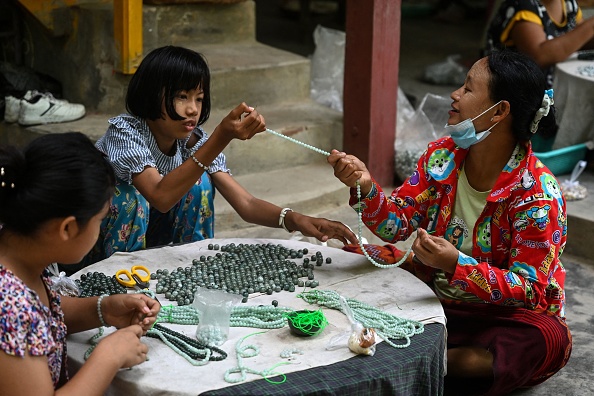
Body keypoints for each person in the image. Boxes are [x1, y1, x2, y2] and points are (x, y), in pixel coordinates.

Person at [328, 50, 571, 395]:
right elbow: (396, 225)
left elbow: (530, 290)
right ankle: (427, 356)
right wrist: (365, 186)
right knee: (357, 257)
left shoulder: (537, 197)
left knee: (545, 340)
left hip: (498, 317)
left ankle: (421, 356)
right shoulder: (441, 156)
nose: (455, 95)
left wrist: (456, 263)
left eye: (469, 89)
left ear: (500, 111)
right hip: (434, 295)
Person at [78, 45, 356, 270]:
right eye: (181, 97)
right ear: (151, 96)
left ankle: (188, 267)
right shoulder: (126, 132)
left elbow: (246, 203)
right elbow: (159, 196)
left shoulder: (195, 140)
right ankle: (117, 284)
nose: (192, 110)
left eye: (199, 99)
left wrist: (297, 220)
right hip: (95, 249)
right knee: (130, 197)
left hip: (153, 239)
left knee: (198, 186)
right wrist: (222, 136)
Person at [0, 132, 161, 394]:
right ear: (67, 229)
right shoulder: (8, 306)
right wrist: (109, 356)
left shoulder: (16, 250)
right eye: (99, 221)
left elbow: (42, 315)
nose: (100, 227)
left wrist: (102, 309)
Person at [484, 0, 594, 89]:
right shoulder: (522, 6)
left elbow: (580, 41)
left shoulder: (568, 4)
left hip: (552, 85)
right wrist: (591, 26)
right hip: (515, 94)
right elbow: (539, 56)